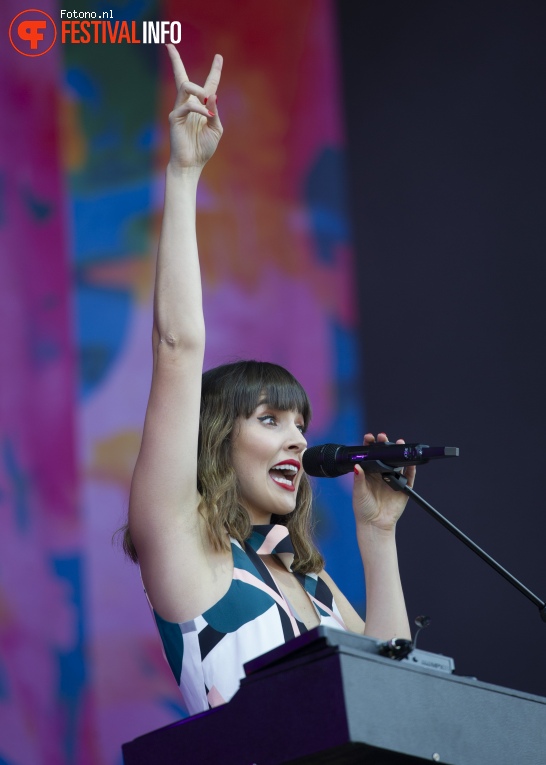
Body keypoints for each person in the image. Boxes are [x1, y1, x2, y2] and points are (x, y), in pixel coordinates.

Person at [123, 45, 415, 716]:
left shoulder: (307, 575)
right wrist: (184, 172)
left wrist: (377, 536)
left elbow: (399, 699)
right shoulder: (182, 542)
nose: (297, 441)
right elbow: (177, 346)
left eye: (302, 425)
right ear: (217, 436)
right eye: (270, 419)